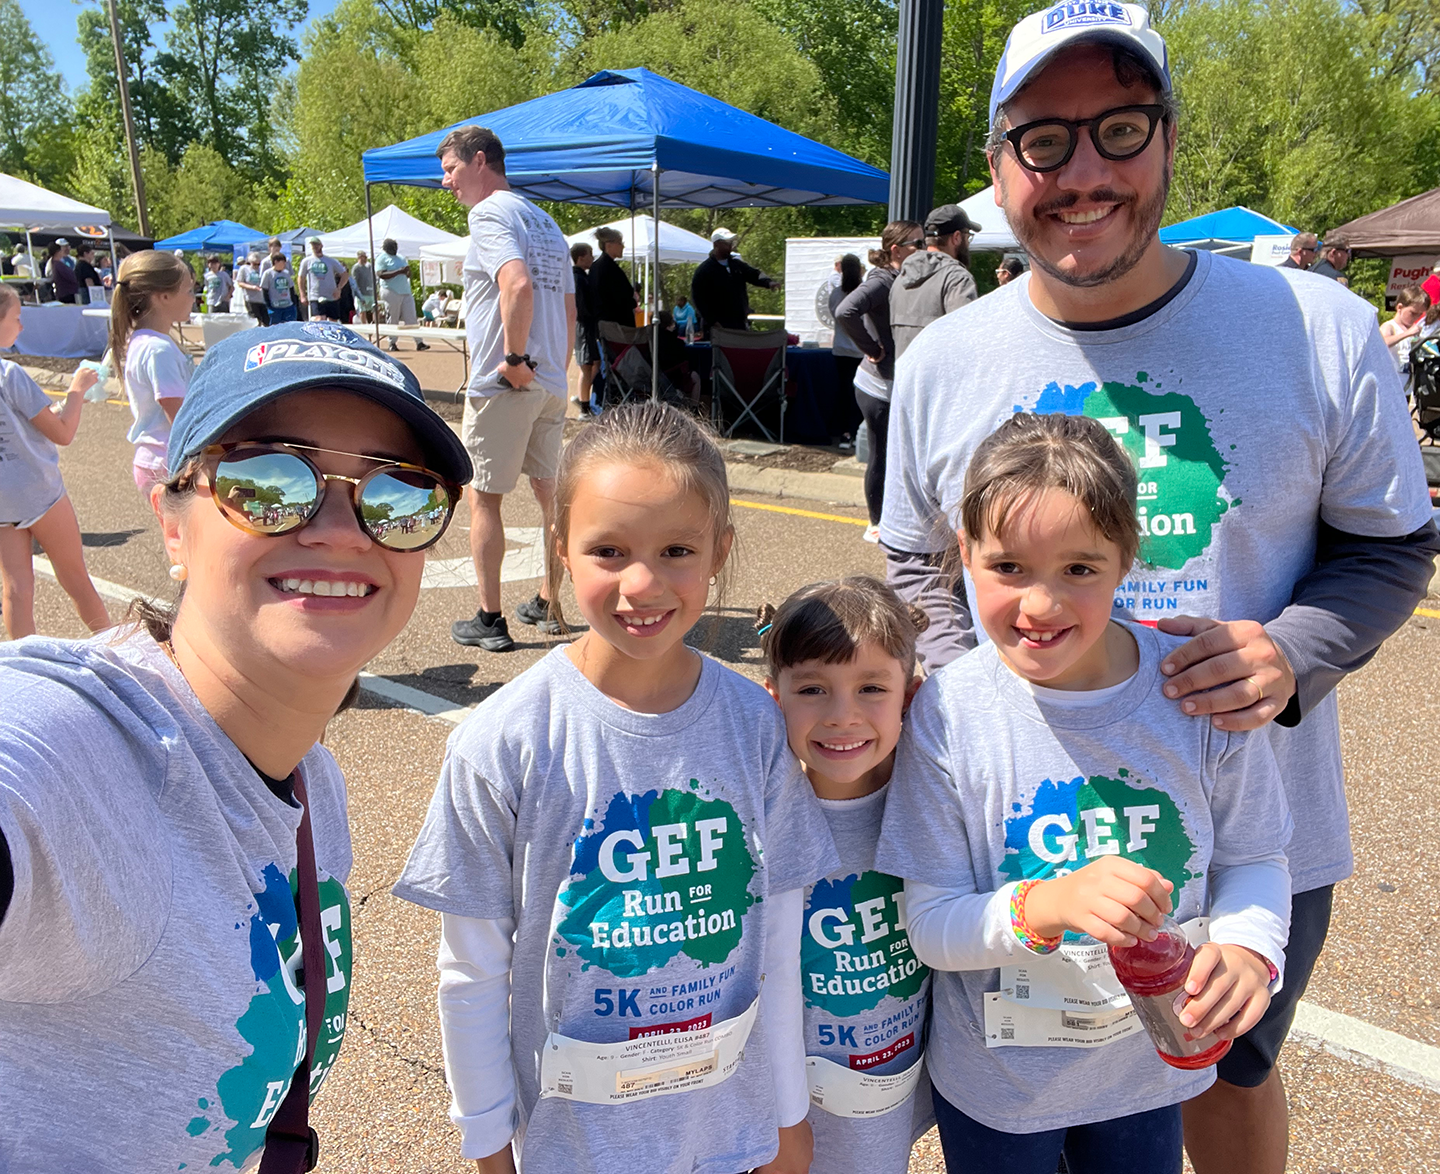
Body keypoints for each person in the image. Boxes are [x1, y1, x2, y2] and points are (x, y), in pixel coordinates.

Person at [880, 8, 1438, 1172]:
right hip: (1009, 839)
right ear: (996, 170)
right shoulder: (944, 363)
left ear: (1169, 142)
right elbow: (914, 568)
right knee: (1024, 1093)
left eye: (1119, 129)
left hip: (1240, 820)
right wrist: (966, 712)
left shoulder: (1321, 329)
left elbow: (1392, 546)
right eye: (1042, 142)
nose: (1082, 174)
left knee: (1221, 1072)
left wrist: (1295, 648)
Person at [0, 321, 471, 1170]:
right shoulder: (79, 745)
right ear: (172, 527)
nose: (341, 528)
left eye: (400, 493)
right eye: (268, 481)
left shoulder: (309, 780)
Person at [394, 401, 836, 1174]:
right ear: (561, 550)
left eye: (676, 550)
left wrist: (787, 1113)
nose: (643, 583)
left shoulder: (753, 726)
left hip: (725, 1132)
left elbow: (775, 947)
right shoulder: (502, 741)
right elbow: (471, 974)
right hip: (577, 1150)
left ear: (718, 551)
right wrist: (489, 1148)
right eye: (608, 550)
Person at [877, 412, 1292, 1174]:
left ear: (1127, 556)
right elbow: (930, 924)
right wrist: (1047, 907)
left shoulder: (1197, 691)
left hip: (1146, 1076)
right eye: (1008, 568)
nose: (1041, 606)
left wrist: (1249, 948)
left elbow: (1256, 854)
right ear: (964, 553)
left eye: (1079, 569)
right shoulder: (948, 712)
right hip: (1001, 1090)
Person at [758, 576, 934, 1174]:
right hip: (785, 1105)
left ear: (908, 696)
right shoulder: (758, 815)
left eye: (871, 688)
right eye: (813, 688)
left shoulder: (932, 797)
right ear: (774, 697)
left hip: (892, 1089)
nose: (843, 716)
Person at [437, 124, 575, 652]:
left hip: (509, 381)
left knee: (485, 499)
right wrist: (550, 371)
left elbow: (514, 283)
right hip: (548, 381)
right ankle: (548, 601)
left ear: (478, 160)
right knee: (551, 497)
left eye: (450, 169)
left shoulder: (488, 213)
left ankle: (490, 619)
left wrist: (515, 361)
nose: (446, 182)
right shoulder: (544, 220)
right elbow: (568, 309)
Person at [0, 284, 109, 639]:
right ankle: (110, 645)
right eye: (16, 318)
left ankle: (25, 668)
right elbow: (61, 432)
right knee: (75, 577)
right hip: (38, 491)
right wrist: (76, 390)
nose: (21, 327)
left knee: (16, 589)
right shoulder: (10, 374)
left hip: (2, 504)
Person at [836, 221, 920, 545]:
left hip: (895, 384)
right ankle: (876, 524)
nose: (923, 248)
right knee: (882, 454)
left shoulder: (901, 278)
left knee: (901, 454)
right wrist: (872, 348)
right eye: (917, 243)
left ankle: (894, 518)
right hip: (878, 387)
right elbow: (846, 311)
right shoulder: (883, 281)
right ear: (896, 250)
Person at [111, 250, 197, 495]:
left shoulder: (143, 340)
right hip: (169, 464)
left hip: (158, 461)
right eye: (189, 290)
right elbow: (179, 418)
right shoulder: (158, 349)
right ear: (165, 296)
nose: (193, 298)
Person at [891, 204, 981, 359]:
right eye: (967, 237)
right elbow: (966, 340)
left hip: (904, 379)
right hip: (942, 380)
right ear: (957, 237)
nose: (968, 243)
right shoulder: (957, 278)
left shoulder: (901, 279)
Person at [690, 227, 782, 333]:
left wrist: (769, 282)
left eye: (731, 242)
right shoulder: (704, 271)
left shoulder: (736, 265)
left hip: (738, 323)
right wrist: (713, 321)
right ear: (716, 245)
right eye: (726, 243)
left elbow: (754, 274)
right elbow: (698, 299)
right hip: (717, 326)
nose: (730, 246)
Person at [828, 254, 866, 446]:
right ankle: (858, 433)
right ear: (859, 270)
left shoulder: (836, 294)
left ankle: (844, 433)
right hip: (862, 351)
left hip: (841, 351)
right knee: (861, 393)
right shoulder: (864, 292)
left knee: (844, 393)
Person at [375, 239, 429, 352]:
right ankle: (392, 343)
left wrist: (407, 272)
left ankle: (419, 342)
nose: (395, 249)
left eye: (396, 247)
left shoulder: (400, 257)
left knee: (411, 317)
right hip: (391, 290)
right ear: (386, 248)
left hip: (405, 291)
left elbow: (408, 274)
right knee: (393, 318)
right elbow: (381, 274)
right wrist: (399, 271)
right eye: (392, 247)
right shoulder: (381, 258)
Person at [569, 241, 602, 416]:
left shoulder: (581, 277)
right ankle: (584, 405)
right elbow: (581, 307)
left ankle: (583, 397)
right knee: (587, 365)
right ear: (581, 258)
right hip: (583, 327)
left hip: (586, 327)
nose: (592, 257)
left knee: (594, 362)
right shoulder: (578, 279)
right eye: (590, 254)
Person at [588, 226, 637, 329]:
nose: (623, 246)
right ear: (609, 245)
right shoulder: (608, 268)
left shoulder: (597, 266)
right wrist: (632, 301)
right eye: (619, 243)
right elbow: (619, 297)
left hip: (605, 323)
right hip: (616, 325)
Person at [1380, 284, 1431, 375]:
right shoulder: (1390, 326)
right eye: (1413, 313)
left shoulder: (1414, 329)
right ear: (1400, 307)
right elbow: (1383, 342)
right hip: (1393, 378)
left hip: (1409, 380)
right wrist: (1407, 334)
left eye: (1419, 314)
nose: (1416, 317)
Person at [297, 237, 347, 323]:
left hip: (331, 296)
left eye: (316, 245)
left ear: (321, 246)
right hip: (315, 296)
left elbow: (345, 274)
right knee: (319, 320)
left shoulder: (331, 261)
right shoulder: (307, 261)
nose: (315, 247)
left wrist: (339, 288)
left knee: (333, 322)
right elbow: (301, 277)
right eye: (313, 245)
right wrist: (302, 294)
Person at [261, 252, 298, 325]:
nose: (284, 265)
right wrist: (269, 305)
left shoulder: (286, 273)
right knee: (275, 327)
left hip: (288, 305)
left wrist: (294, 303)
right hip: (275, 306)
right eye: (282, 263)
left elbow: (291, 288)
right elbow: (265, 290)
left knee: (289, 325)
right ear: (276, 262)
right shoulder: (268, 274)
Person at [235, 251, 269, 325]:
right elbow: (240, 283)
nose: (257, 266)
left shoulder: (262, 269)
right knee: (255, 321)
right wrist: (252, 287)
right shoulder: (244, 269)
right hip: (251, 299)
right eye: (254, 264)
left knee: (266, 321)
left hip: (262, 299)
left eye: (258, 264)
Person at [351, 249, 376, 323]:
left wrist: (375, 291)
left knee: (374, 310)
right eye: (363, 257)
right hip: (361, 294)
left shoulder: (369, 267)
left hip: (370, 293)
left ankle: (373, 325)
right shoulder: (356, 268)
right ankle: (364, 326)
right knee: (362, 311)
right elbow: (355, 282)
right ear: (359, 257)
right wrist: (359, 295)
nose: (365, 259)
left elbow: (373, 279)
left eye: (365, 257)